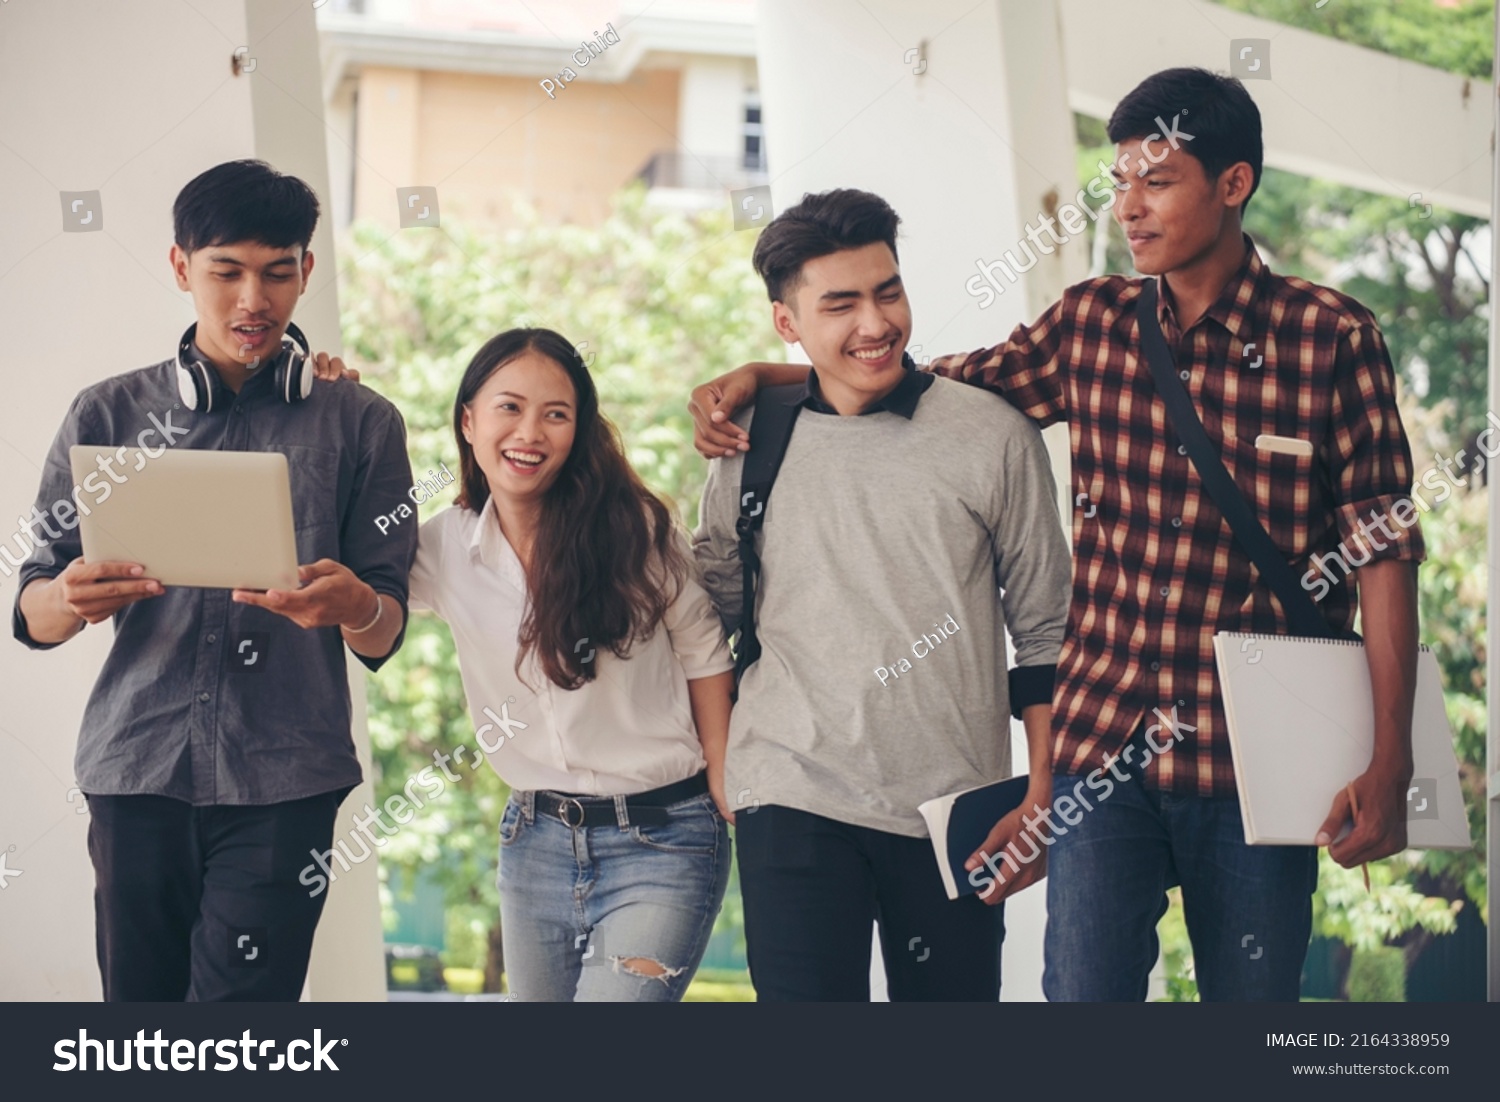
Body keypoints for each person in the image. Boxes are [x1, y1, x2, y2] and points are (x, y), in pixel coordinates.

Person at [689, 68, 1424, 1002]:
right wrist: (775, 369)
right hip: (1101, 758)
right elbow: (920, 384)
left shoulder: (1331, 337)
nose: (1130, 207)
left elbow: (1385, 555)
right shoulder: (1092, 324)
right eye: (1119, 182)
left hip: (1260, 760)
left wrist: (1389, 758)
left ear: (1233, 184)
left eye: (1156, 182)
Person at [12, 159, 417, 1001]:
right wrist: (68, 600)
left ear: (307, 271)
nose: (252, 301)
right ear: (179, 268)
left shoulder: (363, 422)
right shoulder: (107, 414)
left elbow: (387, 623)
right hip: (134, 767)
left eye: (276, 273)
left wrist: (355, 605)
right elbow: (31, 607)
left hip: (286, 779)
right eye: (224, 271)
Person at [690, 188, 1070, 1001]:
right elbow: (702, 616)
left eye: (887, 291)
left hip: (953, 817)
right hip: (787, 795)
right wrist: (727, 767)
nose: (875, 323)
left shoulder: (992, 434)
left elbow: (1045, 633)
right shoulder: (747, 443)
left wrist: (1045, 796)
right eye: (841, 304)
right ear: (787, 323)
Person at [387, 328, 734, 1001]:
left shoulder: (634, 528)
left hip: (663, 838)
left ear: (579, 430)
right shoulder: (445, 546)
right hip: (535, 841)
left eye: (556, 414)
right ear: (468, 420)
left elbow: (701, 645)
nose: (530, 432)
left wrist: (723, 774)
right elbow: (356, 584)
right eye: (508, 408)